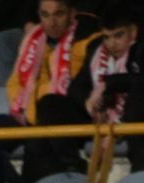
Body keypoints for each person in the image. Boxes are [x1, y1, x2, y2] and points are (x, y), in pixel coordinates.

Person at [29, 2, 144, 183]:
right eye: (107, 37)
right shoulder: (96, 47)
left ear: (133, 32)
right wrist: (88, 102)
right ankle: (73, 167)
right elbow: (77, 87)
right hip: (104, 118)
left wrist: (109, 84)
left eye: (118, 36)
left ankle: (142, 168)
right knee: (50, 103)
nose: (111, 44)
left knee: (141, 94)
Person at [7, 0, 96, 130]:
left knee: (49, 106)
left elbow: (75, 89)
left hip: (75, 114)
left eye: (58, 14)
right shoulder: (34, 39)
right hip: (32, 116)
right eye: (45, 15)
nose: (52, 23)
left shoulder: (87, 40)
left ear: (72, 14)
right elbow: (14, 83)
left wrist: (32, 115)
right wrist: (29, 115)